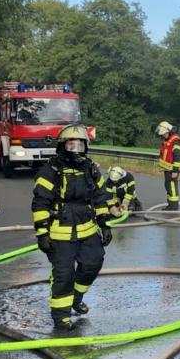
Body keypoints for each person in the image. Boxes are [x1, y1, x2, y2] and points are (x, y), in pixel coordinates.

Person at [31, 124, 115, 331]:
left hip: (87, 229)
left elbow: (100, 196)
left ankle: (76, 298)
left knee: (92, 264)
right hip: (60, 233)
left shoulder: (91, 168)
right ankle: (61, 318)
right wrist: (42, 234)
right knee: (64, 274)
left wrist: (105, 225)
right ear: (62, 146)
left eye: (79, 144)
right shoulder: (50, 171)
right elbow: (40, 203)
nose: (75, 148)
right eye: (71, 144)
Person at [155, 121, 180, 211]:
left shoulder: (175, 140)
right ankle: (170, 205)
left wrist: (175, 170)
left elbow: (177, 156)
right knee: (168, 185)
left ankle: (174, 207)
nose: (163, 136)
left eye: (164, 134)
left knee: (172, 187)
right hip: (168, 168)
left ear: (168, 131)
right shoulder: (167, 139)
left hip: (173, 169)